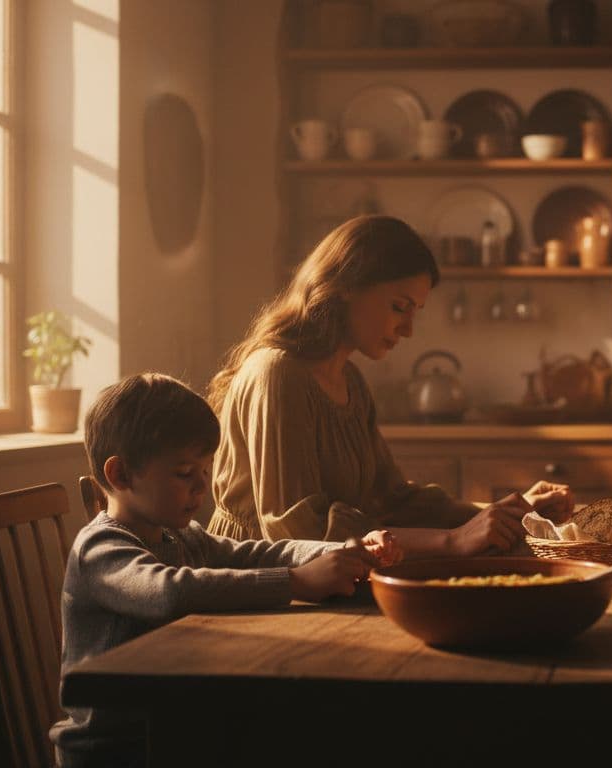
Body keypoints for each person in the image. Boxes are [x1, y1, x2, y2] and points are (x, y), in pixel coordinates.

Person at [51, 373, 402, 767]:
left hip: (175, 732)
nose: (202, 487)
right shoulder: (101, 548)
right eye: (185, 473)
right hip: (115, 752)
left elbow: (254, 554)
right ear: (120, 475)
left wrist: (342, 550)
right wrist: (297, 582)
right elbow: (169, 592)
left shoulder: (180, 537)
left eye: (205, 470)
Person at [204, 215, 572, 555]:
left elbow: (393, 501)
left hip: (330, 579)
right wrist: (453, 540)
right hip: (254, 583)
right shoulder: (278, 374)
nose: (408, 329)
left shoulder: (350, 381)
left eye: (415, 312)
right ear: (347, 285)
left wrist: (509, 511)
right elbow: (297, 537)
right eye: (399, 307)